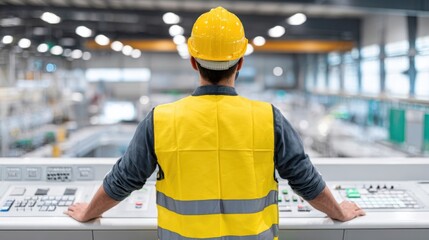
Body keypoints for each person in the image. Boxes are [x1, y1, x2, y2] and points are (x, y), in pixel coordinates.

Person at [65, 6, 365, 240]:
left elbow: (124, 179)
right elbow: (305, 179)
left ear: (193, 61)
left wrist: (88, 212)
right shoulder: (268, 118)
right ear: (241, 62)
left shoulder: (161, 119)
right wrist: (339, 211)